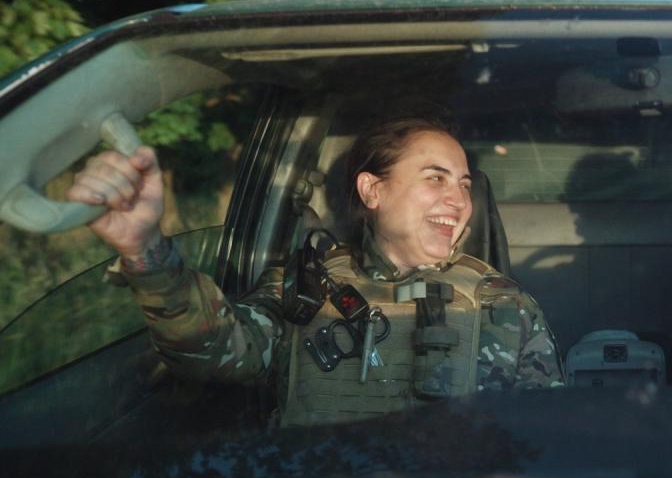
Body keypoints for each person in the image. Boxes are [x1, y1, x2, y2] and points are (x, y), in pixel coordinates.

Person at [69, 115, 564, 426]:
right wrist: (147, 251)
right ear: (373, 191)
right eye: (435, 178)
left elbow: (545, 441)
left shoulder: (505, 302)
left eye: (462, 184)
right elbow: (213, 350)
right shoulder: (303, 285)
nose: (457, 200)